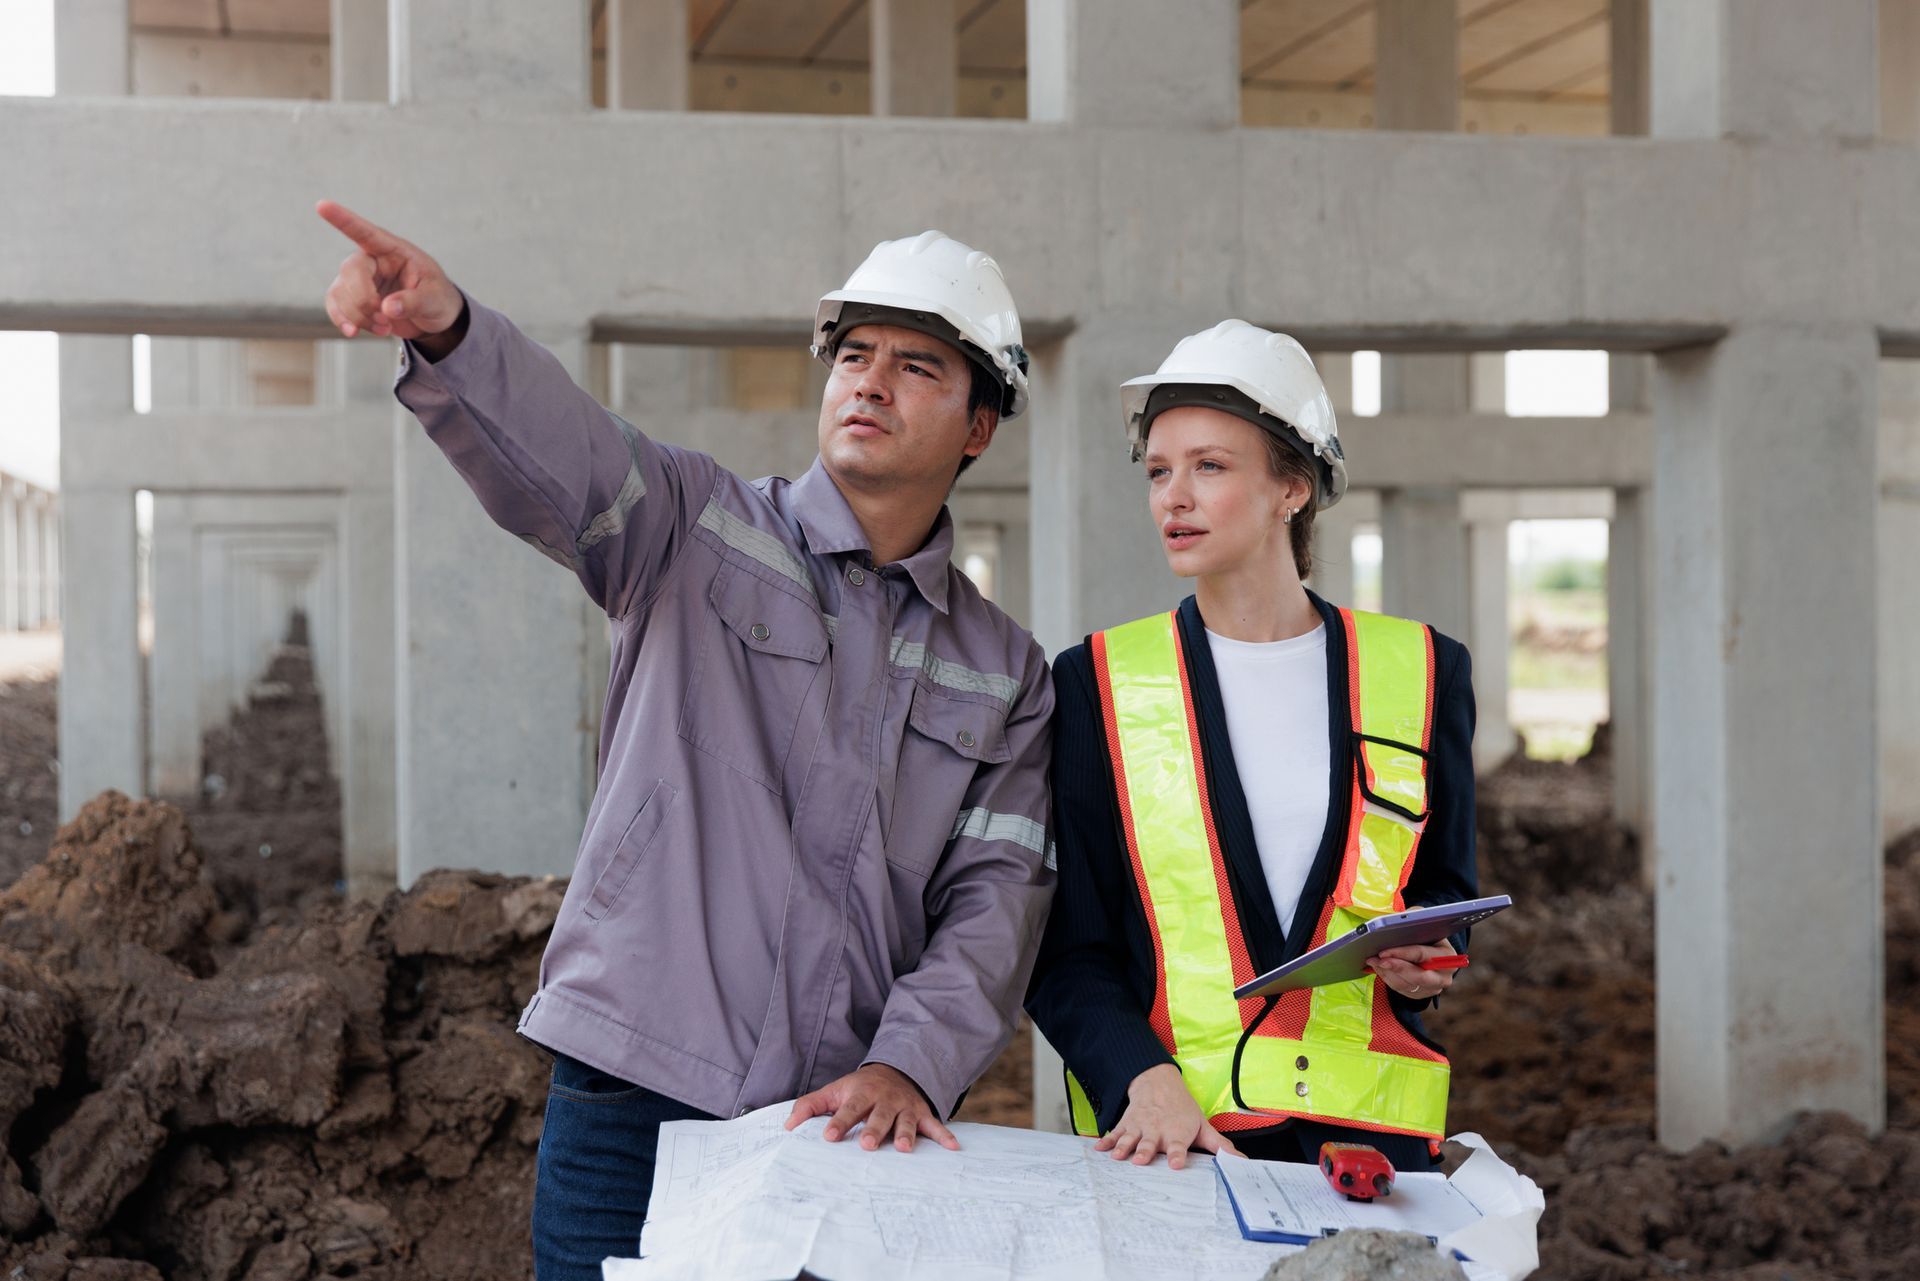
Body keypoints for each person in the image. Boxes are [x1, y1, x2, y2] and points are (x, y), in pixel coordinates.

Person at [317, 204, 1056, 1279]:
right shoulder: (698, 529)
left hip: (837, 1117)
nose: (869, 384)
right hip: (631, 1097)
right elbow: (568, 453)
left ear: (980, 424)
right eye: (852, 355)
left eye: (917, 367)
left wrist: (913, 1063)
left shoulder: (1005, 669)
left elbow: (998, 898)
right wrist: (450, 332)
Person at [1025, 320, 1478, 1174]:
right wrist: (1137, 1076)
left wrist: (1430, 961)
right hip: (1168, 1143)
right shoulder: (1097, 681)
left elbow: (1443, 887)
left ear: (1293, 489)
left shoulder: (1423, 671)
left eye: (1210, 466)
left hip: (1368, 1152)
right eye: (1159, 471)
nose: (1173, 496)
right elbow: (1066, 946)